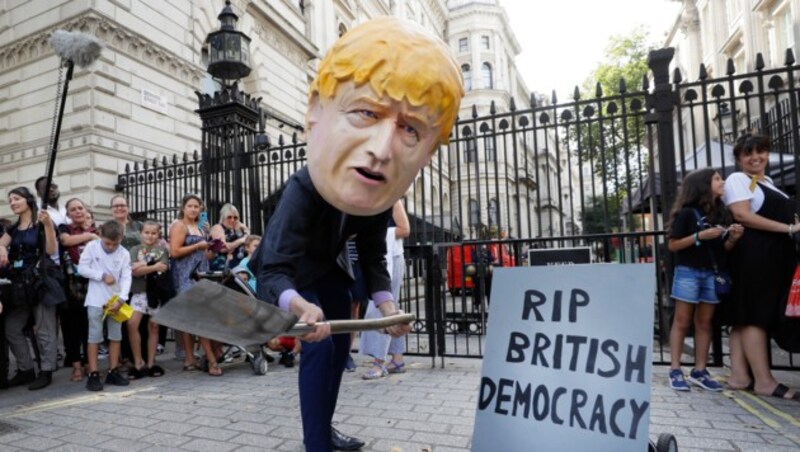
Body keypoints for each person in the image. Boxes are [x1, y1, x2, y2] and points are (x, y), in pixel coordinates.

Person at [251, 17, 462, 451]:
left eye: (410, 129)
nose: (382, 150)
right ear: (314, 113)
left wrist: (388, 306)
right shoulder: (303, 189)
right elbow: (273, 269)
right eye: (367, 112)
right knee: (318, 349)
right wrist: (297, 306)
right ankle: (316, 445)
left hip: (329, 270)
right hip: (292, 275)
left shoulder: (377, 193)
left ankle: (325, 428)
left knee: (337, 353)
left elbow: (372, 257)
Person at [723, 133, 800, 401]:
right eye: (748, 153)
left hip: (772, 255)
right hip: (756, 254)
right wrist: (789, 228)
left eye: (761, 151)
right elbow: (743, 215)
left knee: (744, 315)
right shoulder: (738, 179)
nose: (756, 157)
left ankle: (740, 376)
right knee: (755, 314)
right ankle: (764, 381)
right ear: (739, 159)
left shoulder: (767, 182)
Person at [666, 168, 743, 392]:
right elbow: (673, 245)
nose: (722, 182)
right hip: (689, 271)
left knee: (705, 323)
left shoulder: (722, 212)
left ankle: (700, 370)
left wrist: (733, 239)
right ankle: (675, 369)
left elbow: (724, 249)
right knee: (682, 321)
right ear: (703, 185)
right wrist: (699, 236)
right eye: (717, 178)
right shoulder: (687, 213)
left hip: (713, 272)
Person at [0, 186, 59, 390]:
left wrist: (49, 225)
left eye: (17, 198)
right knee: (12, 328)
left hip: (39, 282)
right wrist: (1, 248)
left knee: (44, 330)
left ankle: (46, 370)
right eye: (10, 200)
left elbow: (51, 250)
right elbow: (0, 244)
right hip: (18, 285)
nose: (13, 202)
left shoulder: (42, 223)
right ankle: (25, 370)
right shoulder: (13, 229)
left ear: (28, 200)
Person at [169, 193, 221, 376]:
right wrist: (197, 246)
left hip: (200, 275)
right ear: (183, 207)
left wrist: (214, 249)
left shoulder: (201, 229)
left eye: (196, 206)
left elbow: (203, 256)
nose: (193, 209)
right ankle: (211, 359)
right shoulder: (179, 225)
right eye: (190, 206)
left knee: (192, 319)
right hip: (185, 276)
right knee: (200, 318)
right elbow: (174, 252)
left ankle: (190, 359)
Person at [77, 220, 132, 392]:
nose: (111, 247)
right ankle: (94, 373)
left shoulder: (124, 253)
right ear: (101, 236)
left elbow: (126, 276)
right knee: (94, 337)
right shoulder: (92, 247)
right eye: (108, 243)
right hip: (95, 300)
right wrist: (101, 275)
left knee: (116, 336)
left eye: (115, 243)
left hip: (115, 301)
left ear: (121, 239)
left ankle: (113, 370)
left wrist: (122, 298)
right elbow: (82, 268)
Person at [360, 200, 411, 379]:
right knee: (391, 307)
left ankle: (378, 363)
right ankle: (397, 359)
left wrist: (376, 232)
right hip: (383, 256)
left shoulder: (392, 200)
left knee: (379, 309)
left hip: (391, 257)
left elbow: (405, 229)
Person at [58, 197, 99, 382]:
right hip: (71, 285)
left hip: (92, 284)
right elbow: (66, 241)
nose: (78, 211)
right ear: (68, 214)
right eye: (73, 209)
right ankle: (76, 366)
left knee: (89, 325)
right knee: (71, 327)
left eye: (81, 208)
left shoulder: (97, 229)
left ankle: (90, 363)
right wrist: (90, 237)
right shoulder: (64, 228)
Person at [127, 221, 168, 379]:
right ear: (141, 233)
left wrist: (142, 265)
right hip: (138, 292)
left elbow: (163, 268)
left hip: (154, 294)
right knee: (132, 324)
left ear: (158, 235)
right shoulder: (134, 250)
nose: (150, 236)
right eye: (147, 232)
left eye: (153, 233)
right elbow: (133, 271)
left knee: (154, 327)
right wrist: (152, 266)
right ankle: (138, 361)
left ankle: (151, 363)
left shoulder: (162, 250)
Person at [209, 203, 249, 271]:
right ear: (223, 217)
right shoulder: (218, 227)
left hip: (238, 269)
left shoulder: (238, 230)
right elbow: (222, 248)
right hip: (221, 268)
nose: (232, 220)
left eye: (235, 217)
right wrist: (241, 240)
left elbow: (248, 247)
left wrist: (246, 231)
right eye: (229, 217)